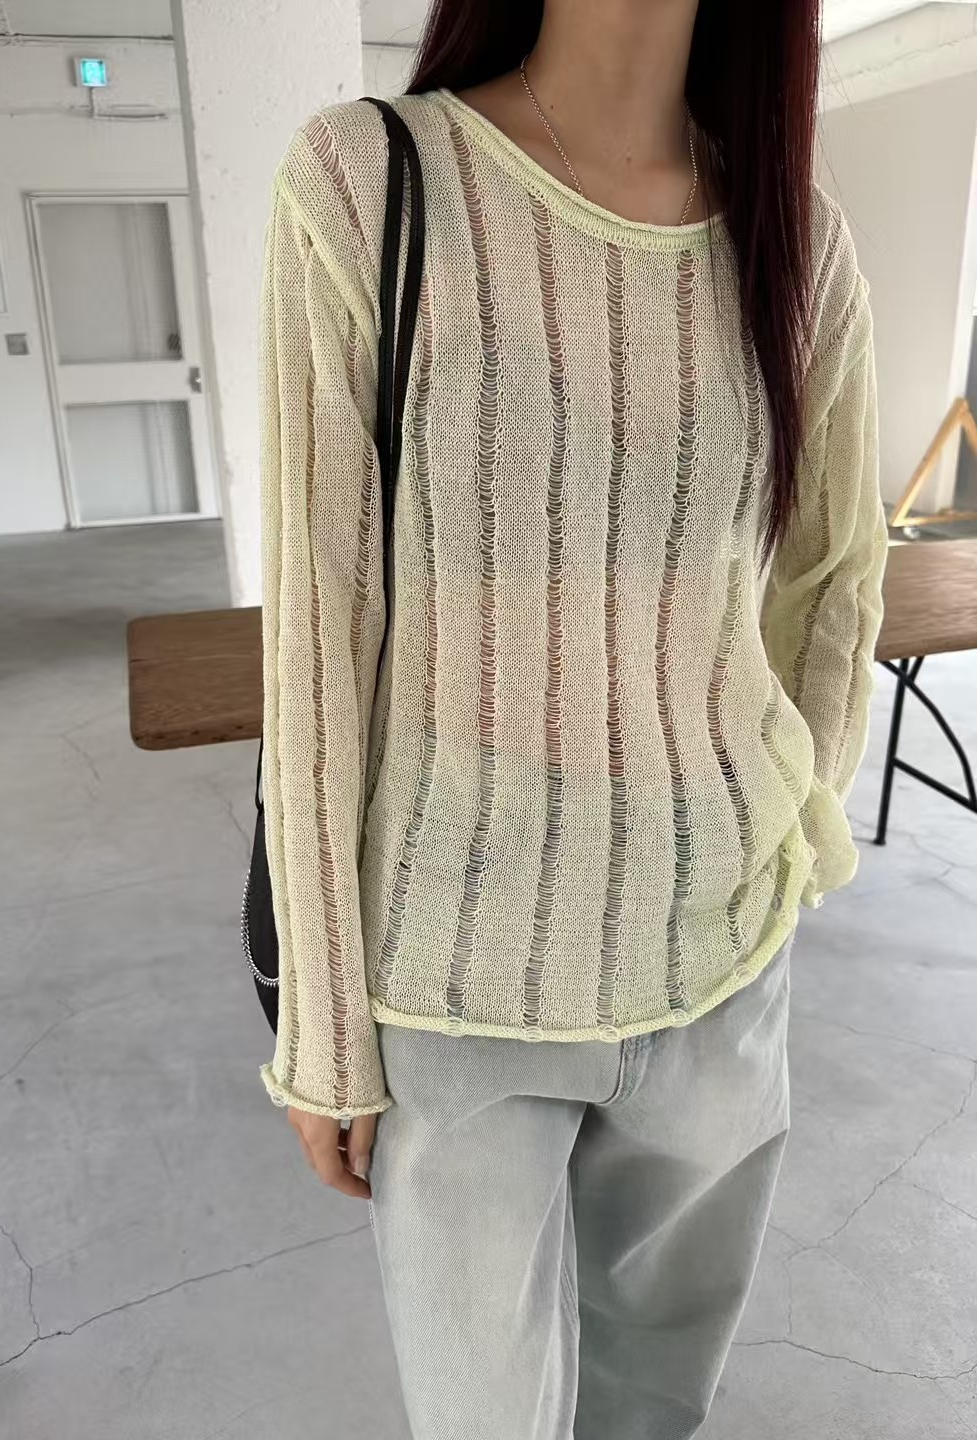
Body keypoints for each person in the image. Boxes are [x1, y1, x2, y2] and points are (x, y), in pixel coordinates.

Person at [256, 1, 887, 1434]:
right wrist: (325, 1022)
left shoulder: (797, 241)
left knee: (660, 1402)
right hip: (458, 985)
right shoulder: (372, 185)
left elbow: (835, 579)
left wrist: (790, 837)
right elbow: (315, 638)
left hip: (722, 966)